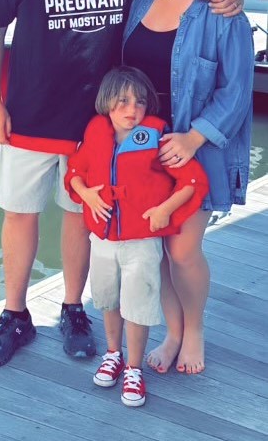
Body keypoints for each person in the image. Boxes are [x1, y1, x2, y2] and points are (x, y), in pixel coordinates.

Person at [0, 0, 243, 371]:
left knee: (84, 215)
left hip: (98, 125)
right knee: (19, 213)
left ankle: (74, 310)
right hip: (28, 114)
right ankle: (13, 314)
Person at [122, 0, 254, 374]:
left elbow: (237, 91)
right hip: (143, 149)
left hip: (193, 151)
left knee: (182, 248)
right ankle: (173, 333)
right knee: (158, 246)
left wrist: (194, 138)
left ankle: (194, 329)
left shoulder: (222, 12)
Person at [65, 66, 208, 406]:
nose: (132, 110)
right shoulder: (95, 134)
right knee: (108, 299)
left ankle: (133, 369)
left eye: (140, 102)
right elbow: (74, 172)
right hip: (102, 241)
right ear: (107, 103)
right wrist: (87, 194)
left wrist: (163, 211)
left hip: (141, 244)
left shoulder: (155, 138)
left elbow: (191, 181)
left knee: (137, 304)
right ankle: (113, 354)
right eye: (123, 101)